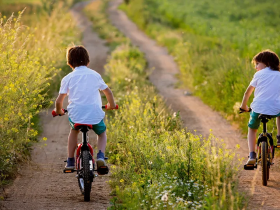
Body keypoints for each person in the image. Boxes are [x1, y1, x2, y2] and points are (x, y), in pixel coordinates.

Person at [55, 45, 116, 171]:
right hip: (95, 114)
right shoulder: (95, 75)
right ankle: (100, 155)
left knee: (74, 131)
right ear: (88, 61)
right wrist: (112, 105)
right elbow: (108, 92)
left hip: (76, 115)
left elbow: (59, 101)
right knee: (101, 132)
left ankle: (70, 160)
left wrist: (58, 111)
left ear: (69, 63)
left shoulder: (67, 78)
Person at [240, 50, 280, 165]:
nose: (256, 67)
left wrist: (243, 106)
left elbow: (247, 93)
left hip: (257, 108)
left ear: (266, 63)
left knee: (252, 128)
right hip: (276, 108)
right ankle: (279, 137)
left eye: (257, 64)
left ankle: (252, 154)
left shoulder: (258, 75)